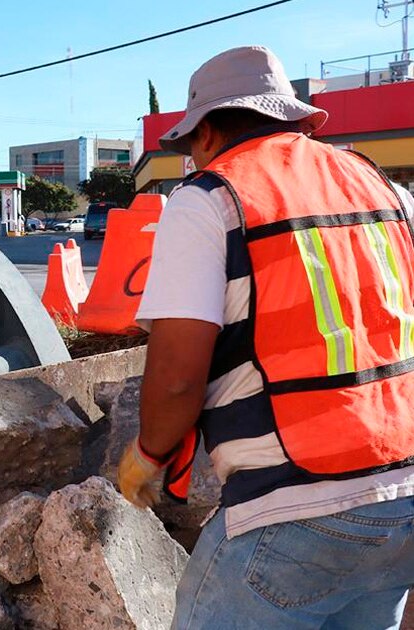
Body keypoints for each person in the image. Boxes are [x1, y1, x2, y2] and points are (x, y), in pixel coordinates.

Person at [117, 46, 414, 629]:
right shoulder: (384, 190)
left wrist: (147, 455)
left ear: (205, 132)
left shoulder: (210, 199)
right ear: (293, 120)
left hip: (295, 503)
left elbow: (177, 376)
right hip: (402, 496)